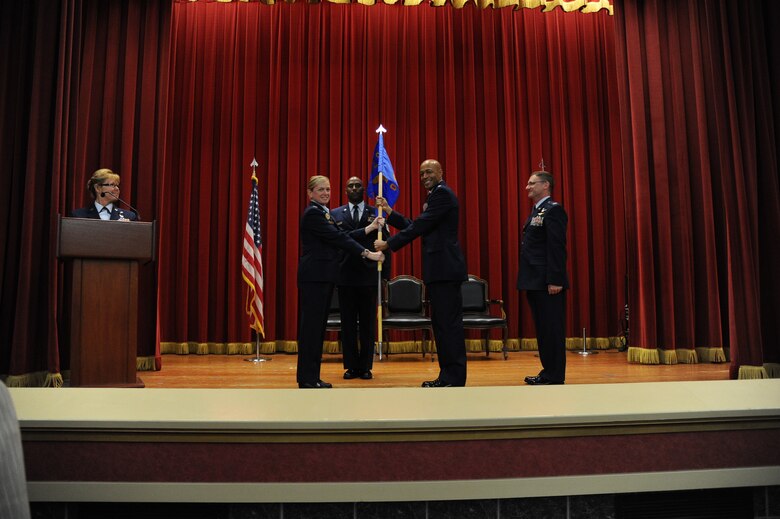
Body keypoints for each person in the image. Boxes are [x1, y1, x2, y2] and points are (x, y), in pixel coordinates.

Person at [374, 159, 468, 387]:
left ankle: (452, 378)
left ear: (440, 172)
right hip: (440, 271)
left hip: (445, 270)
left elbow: (420, 225)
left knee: (448, 326)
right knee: (442, 325)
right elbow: (416, 224)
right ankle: (448, 376)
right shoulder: (435, 195)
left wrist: (389, 244)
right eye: (421, 173)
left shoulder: (442, 194)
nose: (424, 176)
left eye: (429, 172)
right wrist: (389, 212)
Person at [297, 175, 385, 389]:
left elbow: (341, 234)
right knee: (311, 330)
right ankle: (308, 379)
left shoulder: (322, 213)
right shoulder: (313, 214)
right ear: (310, 193)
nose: (326, 193)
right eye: (320, 190)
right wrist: (368, 253)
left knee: (317, 330)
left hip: (324, 277)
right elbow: (340, 239)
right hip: (315, 278)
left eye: (328, 189)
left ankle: (311, 377)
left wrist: (370, 227)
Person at [331, 177, 391, 381]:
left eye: (358, 185)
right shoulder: (335, 214)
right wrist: (369, 228)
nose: (354, 188)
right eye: (351, 185)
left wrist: (384, 229)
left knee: (367, 324)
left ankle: (365, 366)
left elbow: (385, 245)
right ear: (345, 190)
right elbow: (342, 241)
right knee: (348, 324)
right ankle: (350, 366)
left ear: (364, 190)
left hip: (368, 275)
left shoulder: (376, 213)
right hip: (346, 275)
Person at [516, 171, 569, 385]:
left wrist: (555, 279)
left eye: (532, 183)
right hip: (535, 280)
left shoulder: (553, 211)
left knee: (552, 330)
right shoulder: (538, 211)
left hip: (548, 282)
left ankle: (555, 375)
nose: (527, 187)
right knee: (543, 329)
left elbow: (556, 247)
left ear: (545, 185)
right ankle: (548, 372)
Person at [71, 168, 138, 221]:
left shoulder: (129, 216)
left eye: (117, 185)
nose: (117, 189)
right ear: (98, 188)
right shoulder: (79, 216)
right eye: (112, 185)